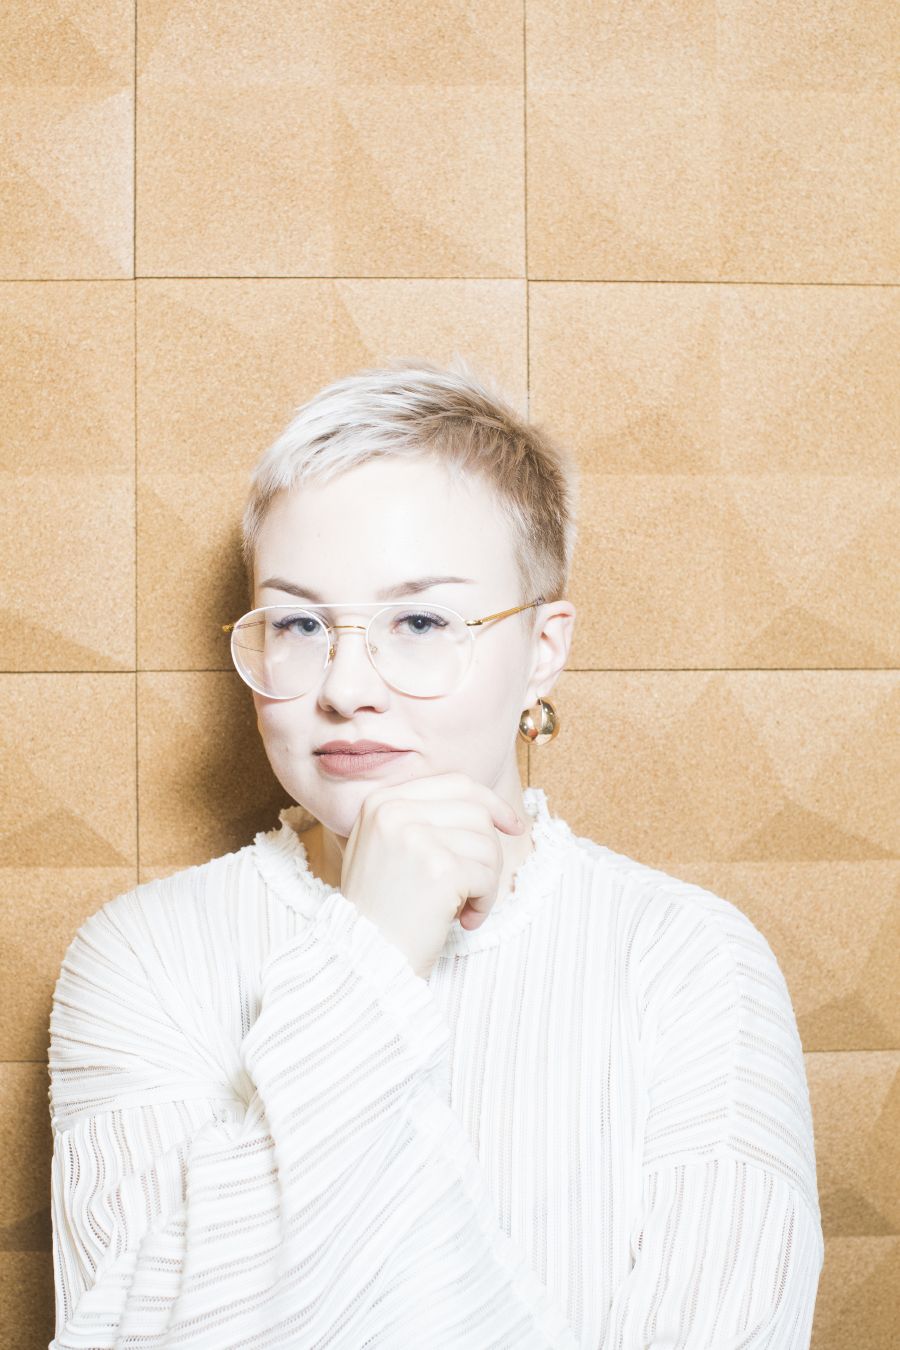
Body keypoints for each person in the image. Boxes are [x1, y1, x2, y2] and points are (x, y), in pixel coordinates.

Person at [47, 356, 824, 1348]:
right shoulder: (144, 956)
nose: (345, 687)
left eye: (419, 620)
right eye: (299, 623)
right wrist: (372, 954)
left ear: (543, 649)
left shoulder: (685, 961)